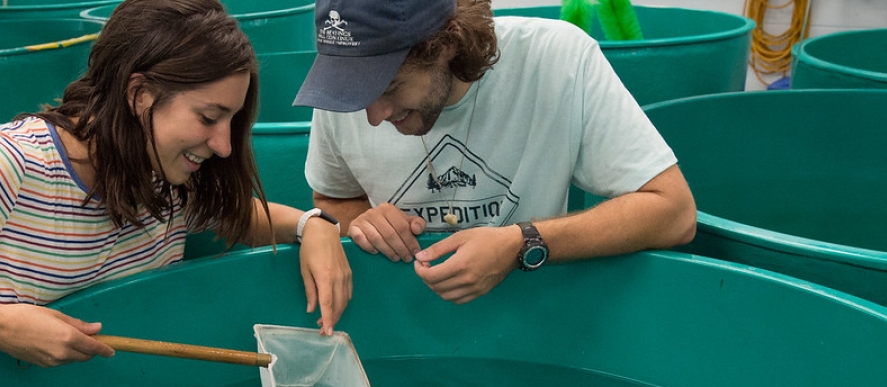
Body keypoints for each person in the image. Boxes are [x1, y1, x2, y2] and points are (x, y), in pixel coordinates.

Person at [0, 0, 350, 367]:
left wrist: (311, 225)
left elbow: (235, 215)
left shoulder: (165, 171)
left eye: (232, 120)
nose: (223, 145)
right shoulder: (4, 168)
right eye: (207, 117)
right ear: (140, 94)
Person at [294, 0, 696, 304]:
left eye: (390, 88)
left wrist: (520, 243)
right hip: (408, 318)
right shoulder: (344, 99)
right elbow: (333, 197)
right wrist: (361, 221)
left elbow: (675, 213)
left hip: (533, 315)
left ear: (446, 44)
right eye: (354, 92)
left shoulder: (557, 61)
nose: (373, 115)